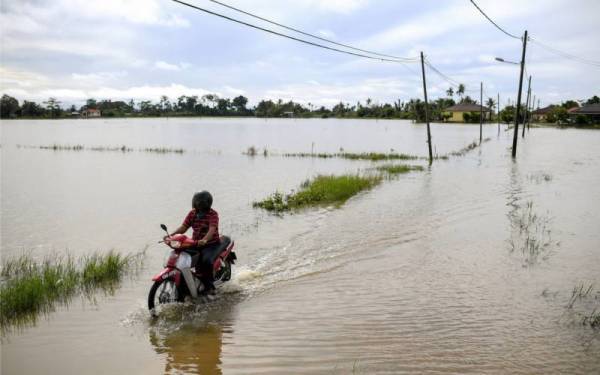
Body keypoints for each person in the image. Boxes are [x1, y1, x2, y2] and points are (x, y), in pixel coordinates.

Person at [166, 191, 221, 297]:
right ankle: (189, 282)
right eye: (197, 202)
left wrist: (205, 240)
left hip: (211, 244)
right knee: (181, 257)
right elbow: (183, 227)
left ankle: (210, 287)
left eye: (200, 202)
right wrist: (171, 235)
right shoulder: (192, 213)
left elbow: (212, 230)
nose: (198, 204)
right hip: (195, 243)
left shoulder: (213, 214)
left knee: (206, 261)